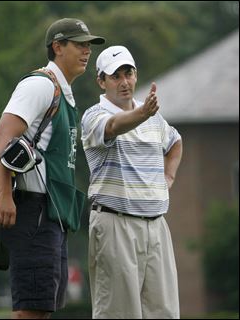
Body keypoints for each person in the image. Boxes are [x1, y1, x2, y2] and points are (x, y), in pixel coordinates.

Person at [0, 18, 105, 319]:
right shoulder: (41, 84)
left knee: (42, 308)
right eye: (79, 44)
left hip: (51, 215)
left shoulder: (63, 92)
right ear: (57, 47)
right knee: (30, 310)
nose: (86, 51)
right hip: (32, 211)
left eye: (88, 46)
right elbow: (1, 138)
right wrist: (5, 194)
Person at [81, 45, 183, 319]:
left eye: (129, 73)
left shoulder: (153, 118)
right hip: (116, 224)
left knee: (164, 312)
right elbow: (114, 127)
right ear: (101, 81)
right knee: (119, 313)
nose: (124, 82)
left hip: (156, 225)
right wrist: (143, 114)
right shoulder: (94, 116)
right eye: (116, 76)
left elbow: (175, 143)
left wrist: (168, 178)